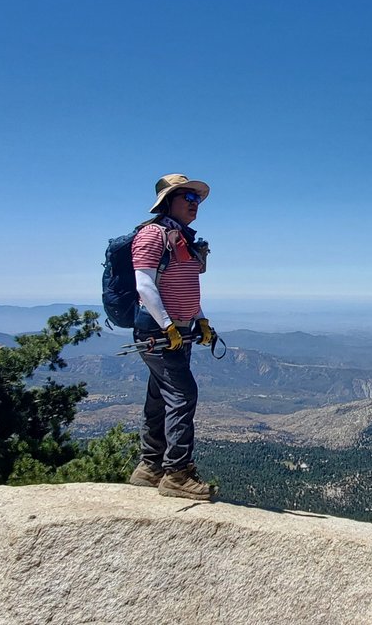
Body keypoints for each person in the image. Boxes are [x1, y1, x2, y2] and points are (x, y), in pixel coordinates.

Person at [125, 173, 216, 500]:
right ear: (168, 201)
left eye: (196, 199)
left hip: (177, 328)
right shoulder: (153, 236)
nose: (194, 204)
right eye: (187, 198)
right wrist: (167, 326)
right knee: (183, 393)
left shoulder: (183, 239)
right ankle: (176, 473)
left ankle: (150, 467)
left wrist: (201, 321)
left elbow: (186, 290)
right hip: (158, 331)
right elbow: (144, 285)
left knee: (160, 394)